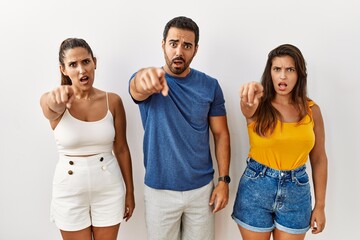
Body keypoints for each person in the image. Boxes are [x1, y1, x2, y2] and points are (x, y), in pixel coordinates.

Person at [129, 16, 230, 240]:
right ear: (163, 44)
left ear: (195, 49)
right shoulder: (150, 80)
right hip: (159, 191)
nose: (179, 51)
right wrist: (143, 78)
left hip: (202, 190)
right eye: (173, 43)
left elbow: (221, 134)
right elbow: (137, 87)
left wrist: (223, 181)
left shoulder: (210, 85)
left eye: (187, 45)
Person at [40, 38, 135, 240]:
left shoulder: (113, 101)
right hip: (69, 190)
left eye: (86, 62)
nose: (82, 70)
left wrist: (130, 192)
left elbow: (122, 149)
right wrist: (55, 97)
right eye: (73, 65)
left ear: (94, 63)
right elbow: (49, 107)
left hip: (109, 187)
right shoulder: (55, 100)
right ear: (63, 69)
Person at [232, 44, 328, 240]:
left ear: (299, 74)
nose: (282, 76)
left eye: (289, 69)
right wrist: (247, 97)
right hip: (256, 188)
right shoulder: (258, 105)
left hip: (297, 192)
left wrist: (320, 206)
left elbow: (318, 159)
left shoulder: (312, 110)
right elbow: (246, 107)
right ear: (270, 73)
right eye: (277, 69)